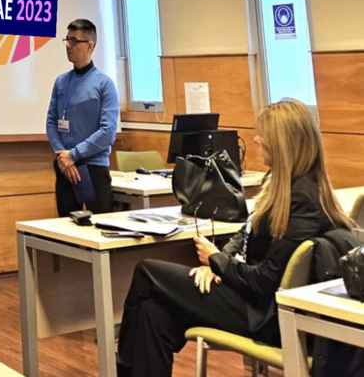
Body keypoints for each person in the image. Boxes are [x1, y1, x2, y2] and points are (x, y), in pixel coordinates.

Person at [116, 98, 356, 377]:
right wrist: (219, 261)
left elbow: (264, 280)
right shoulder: (280, 184)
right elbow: (246, 231)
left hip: (266, 315)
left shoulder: (302, 199)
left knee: (146, 271)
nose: (256, 139)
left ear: (282, 143)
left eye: (263, 135)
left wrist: (217, 262)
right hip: (252, 300)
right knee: (153, 314)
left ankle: (122, 364)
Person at [45, 18, 119, 217]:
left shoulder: (104, 84)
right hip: (65, 166)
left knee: (101, 226)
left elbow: (107, 133)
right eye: (67, 40)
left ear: (90, 46)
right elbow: (51, 122)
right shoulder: (61, 82)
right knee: (66, 227)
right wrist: (63, 156)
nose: (68, 46)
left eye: (74, 41)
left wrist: (74, 155)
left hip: (93, 167)